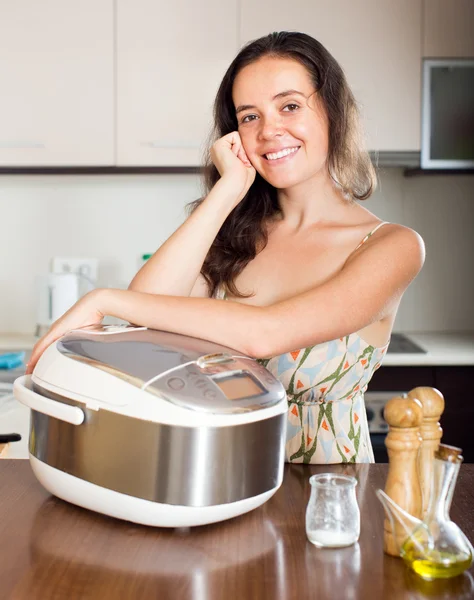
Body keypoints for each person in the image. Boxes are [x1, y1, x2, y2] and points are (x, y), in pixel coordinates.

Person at [26, 31, 425, 464]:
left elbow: (264, 333)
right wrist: (227, 190)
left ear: (333, 110)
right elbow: (148, 306)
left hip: (324, 500)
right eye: (249, 117)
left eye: (289, 106)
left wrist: (100, 298)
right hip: (218, 485)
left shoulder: (392, 246)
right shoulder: (233, 236)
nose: (269, 130)